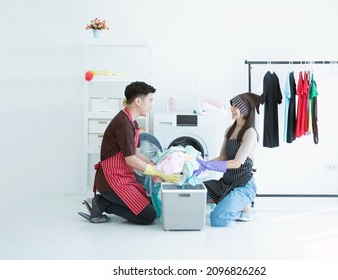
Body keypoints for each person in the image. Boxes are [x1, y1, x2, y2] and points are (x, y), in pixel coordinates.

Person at [78, 81, 181, 224]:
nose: (151, 105)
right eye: (150, 100)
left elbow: (136, 153)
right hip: (111, 180)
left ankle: (106, 202)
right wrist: (157, 173)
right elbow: (131, 160)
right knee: (148, 216)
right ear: (138, 101)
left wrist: (155, 165)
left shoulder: (133, 123)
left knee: (151, 204)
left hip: (124, 177)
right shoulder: (124, 123)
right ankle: (101, 203)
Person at [193, 92, 260, 227]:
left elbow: (236, 163)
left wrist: (209, 166)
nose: (232, 109)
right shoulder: (230, 129)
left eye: (236, 106)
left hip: (243, 185)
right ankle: (231, 201)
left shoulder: (250, 133)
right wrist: (203, 164)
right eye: (232, 106)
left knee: (217, 219)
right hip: (226, 183)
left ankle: (243, 206)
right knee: (195, 194)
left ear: (245, 110)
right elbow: (222, 157)